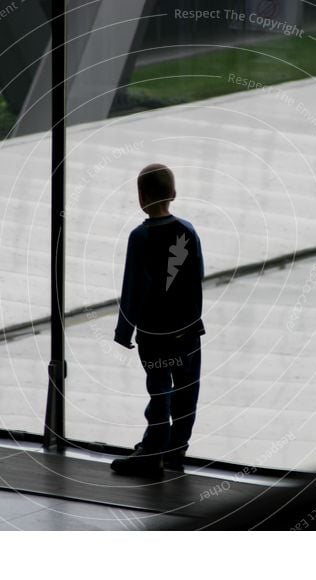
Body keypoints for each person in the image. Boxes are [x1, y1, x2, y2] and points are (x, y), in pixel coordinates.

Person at [111, 163, 205, 477]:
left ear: (142, 197)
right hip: (187, 333)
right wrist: (193, 323)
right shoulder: (188, 231)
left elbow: (133, 287)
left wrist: (124, 331)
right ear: (173, 193)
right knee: (186, 392)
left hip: (154, 335)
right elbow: (196, 280)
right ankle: (176, 450)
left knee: (160, 391)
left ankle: (152, 450)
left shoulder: (140, 237)